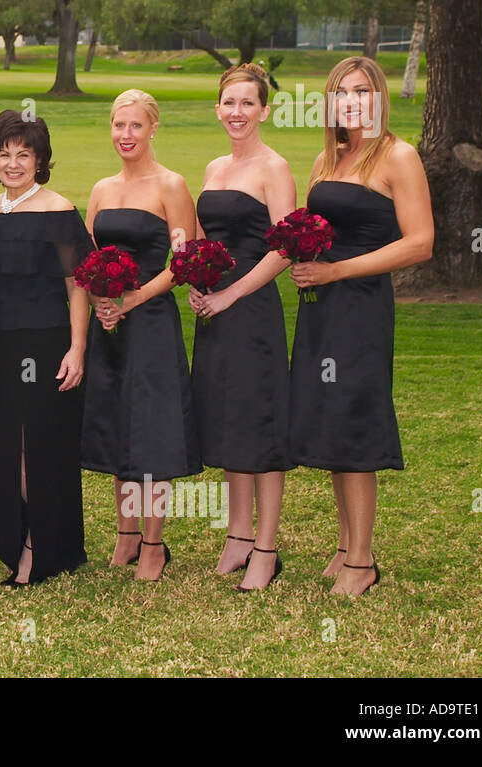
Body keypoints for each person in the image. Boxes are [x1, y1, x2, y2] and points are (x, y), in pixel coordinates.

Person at [288, 56, 432, 596]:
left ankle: (364, 561)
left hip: (360, 306)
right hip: (320, 308)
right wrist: (305, 265)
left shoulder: (398, 156)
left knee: (352, 418)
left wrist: (337, 270)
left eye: (362, 91)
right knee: (329, 420)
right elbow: (312, 228)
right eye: (342, 92)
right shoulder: (330, 158)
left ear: (378, 99)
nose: (351, 100)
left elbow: (420, 242)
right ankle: (346, 545)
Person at [81, 89, 200, 582]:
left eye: (134, 126)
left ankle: (154, 542)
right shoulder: (101, 189)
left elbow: (184, 263)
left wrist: (132, 300)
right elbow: (84, 260)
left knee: (151, 429)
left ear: (153, 128)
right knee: (115, 423)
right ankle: (125, 535)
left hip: (150, 321)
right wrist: (101, 302)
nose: (125, 135)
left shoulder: (171, 186)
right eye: (117, 125)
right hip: (108, 323)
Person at [187, 64, 296, 592]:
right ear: (218, 108)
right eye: (229, 103)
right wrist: (198, 281)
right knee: (227, 417)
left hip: (251, 311)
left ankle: (267, 547)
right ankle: (237, 535)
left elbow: (285, 247)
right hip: (215, 312)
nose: (237, 112)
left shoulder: (274, 168)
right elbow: (209, 240)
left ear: (264, 110)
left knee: (259, 421)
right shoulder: (212, 167)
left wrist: (231, 293)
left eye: (247, 104)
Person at [0, 111, 89, 586]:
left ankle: (39, 547)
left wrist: (78, 348)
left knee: (39, 445)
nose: (14, 163)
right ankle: (21, 534)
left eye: (24, 154)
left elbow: (78, 283)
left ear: (40, 160)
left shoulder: (58, 210)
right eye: (4, 154)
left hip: (47, 343)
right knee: (5, 445)